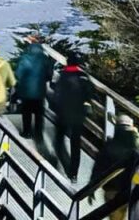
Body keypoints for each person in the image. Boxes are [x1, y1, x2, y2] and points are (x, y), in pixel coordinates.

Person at [89, 115, 139, 220]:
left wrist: (91, 189)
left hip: (111, 190)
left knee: (115, 217)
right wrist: (135, 133)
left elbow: (98, 167)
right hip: (129, 188)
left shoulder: (109, 145)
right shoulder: (137, 143)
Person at [51, 52, 93, 183]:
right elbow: (89, 93)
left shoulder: (62, 76)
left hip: (63, 113)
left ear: (68, 62)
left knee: (58, 141)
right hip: (78, 115)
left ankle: (56, 165)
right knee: (76, 143)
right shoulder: (83, 77)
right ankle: (73, 173)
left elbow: (56, 92)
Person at [14, 34, 53, 142]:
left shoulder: (25, 57)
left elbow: (18, 74)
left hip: (26, 91)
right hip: (40, 91)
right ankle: (38, 134)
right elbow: (49, 75)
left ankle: (27, 132)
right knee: (39, 113)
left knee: (26, 112)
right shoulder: (45, 59)